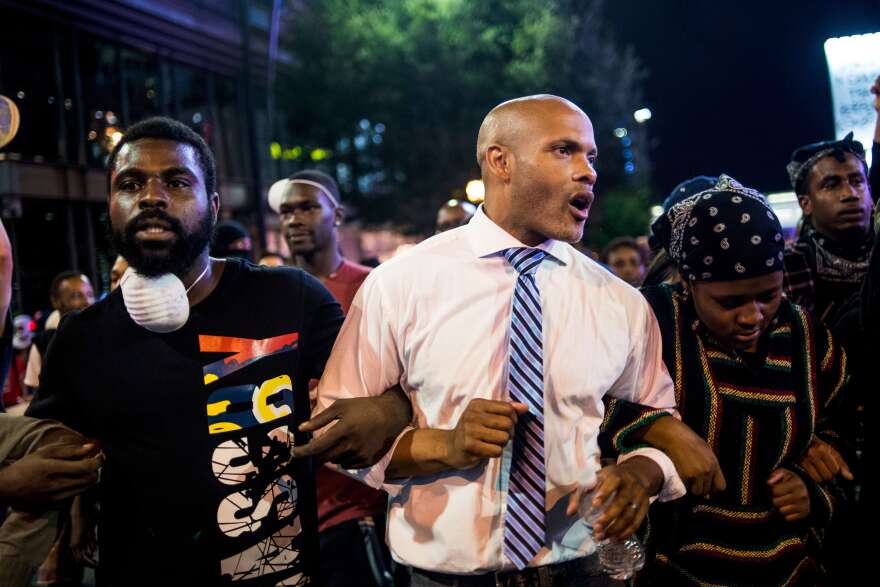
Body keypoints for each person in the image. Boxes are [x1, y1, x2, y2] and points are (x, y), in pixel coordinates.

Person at [308, 95, 688, 586]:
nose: (588, 171)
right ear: (500, 161)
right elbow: (338, 437)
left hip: (583, 569)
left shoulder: (621, 302)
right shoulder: (399, 285)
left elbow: (656, 420)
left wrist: (644, 472)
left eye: (591, 156)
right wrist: (444, 446)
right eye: (564, 151)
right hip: (443, 576)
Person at [26, 117, 410, 586]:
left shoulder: (292, 297)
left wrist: (393, 405)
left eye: (176, 181)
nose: (151, 196)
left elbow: (393, 385)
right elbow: (48, 463)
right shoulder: (79, 338)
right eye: (130, 183)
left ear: (212, 203)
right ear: (110, 205)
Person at [631, 175, 849, 585]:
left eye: (768, 295)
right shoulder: (653, 324)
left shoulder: (806, 337)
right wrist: (659, 429)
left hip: (791, 567)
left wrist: (815, 494)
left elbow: (848, 422)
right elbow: (591, 405)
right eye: (728, 302)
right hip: (675, 569)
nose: (752, 317)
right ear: (689, 282)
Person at [269, 169, 393, 586]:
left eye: (307, 208)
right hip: (282, 500)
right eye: (287, 211)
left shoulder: (372, 286)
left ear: (336, 214)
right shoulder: (268, 293)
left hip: (354, 499)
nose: (294, 220)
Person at [783, 132, 873, 322]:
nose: (850, 194)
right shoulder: (789, 265)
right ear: (805, 203)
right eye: (831, 185)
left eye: (857, 182)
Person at [22, 271, 94, 390]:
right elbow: (39, 393)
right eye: (76, 295)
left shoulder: (105, 335)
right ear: (56, 301)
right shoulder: (43, 344)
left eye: (90, 294)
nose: (87, 301)